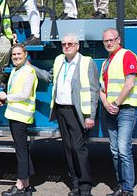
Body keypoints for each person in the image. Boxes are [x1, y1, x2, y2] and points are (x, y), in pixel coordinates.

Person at [36, 33, 100, 196]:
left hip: (77, 112)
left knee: (79, 148)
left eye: (70, 44)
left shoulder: (86, 62)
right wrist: (31, 67)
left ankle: (85, 185)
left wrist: (90, 116)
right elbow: (51, 78)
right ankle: (75, 183)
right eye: (64, 44)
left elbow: (94, 90)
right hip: (61, 110)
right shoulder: (59, 60)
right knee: (69, 148)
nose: (66, 46)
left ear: (77, 46)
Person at [99, 29, 137, 196]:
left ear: (118, 39)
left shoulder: (127, 55)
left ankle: (128, 189)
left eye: (112, 39)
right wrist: (106, 104)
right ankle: (120, 186)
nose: (109, 43)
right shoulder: (105, 63)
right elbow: (101, 89)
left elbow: (129, 83)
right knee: (115, 151)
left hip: (126, 109)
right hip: (111, 110)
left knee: (123, 149)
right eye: (106, 41)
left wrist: (115, 103)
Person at [0, 44, 38, 196]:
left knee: (21, 151)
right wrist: (4, 100)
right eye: (14, 54)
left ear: (25, 54)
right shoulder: (14, 70)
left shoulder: (29, 71)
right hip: (14, 115)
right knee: (22, 151)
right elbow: (14, 92)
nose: (16, 57)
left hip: (22, 116)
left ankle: (19, 186)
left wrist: (7, 97)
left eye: (19, 54)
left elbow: (25, 94)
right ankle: (26, 186)